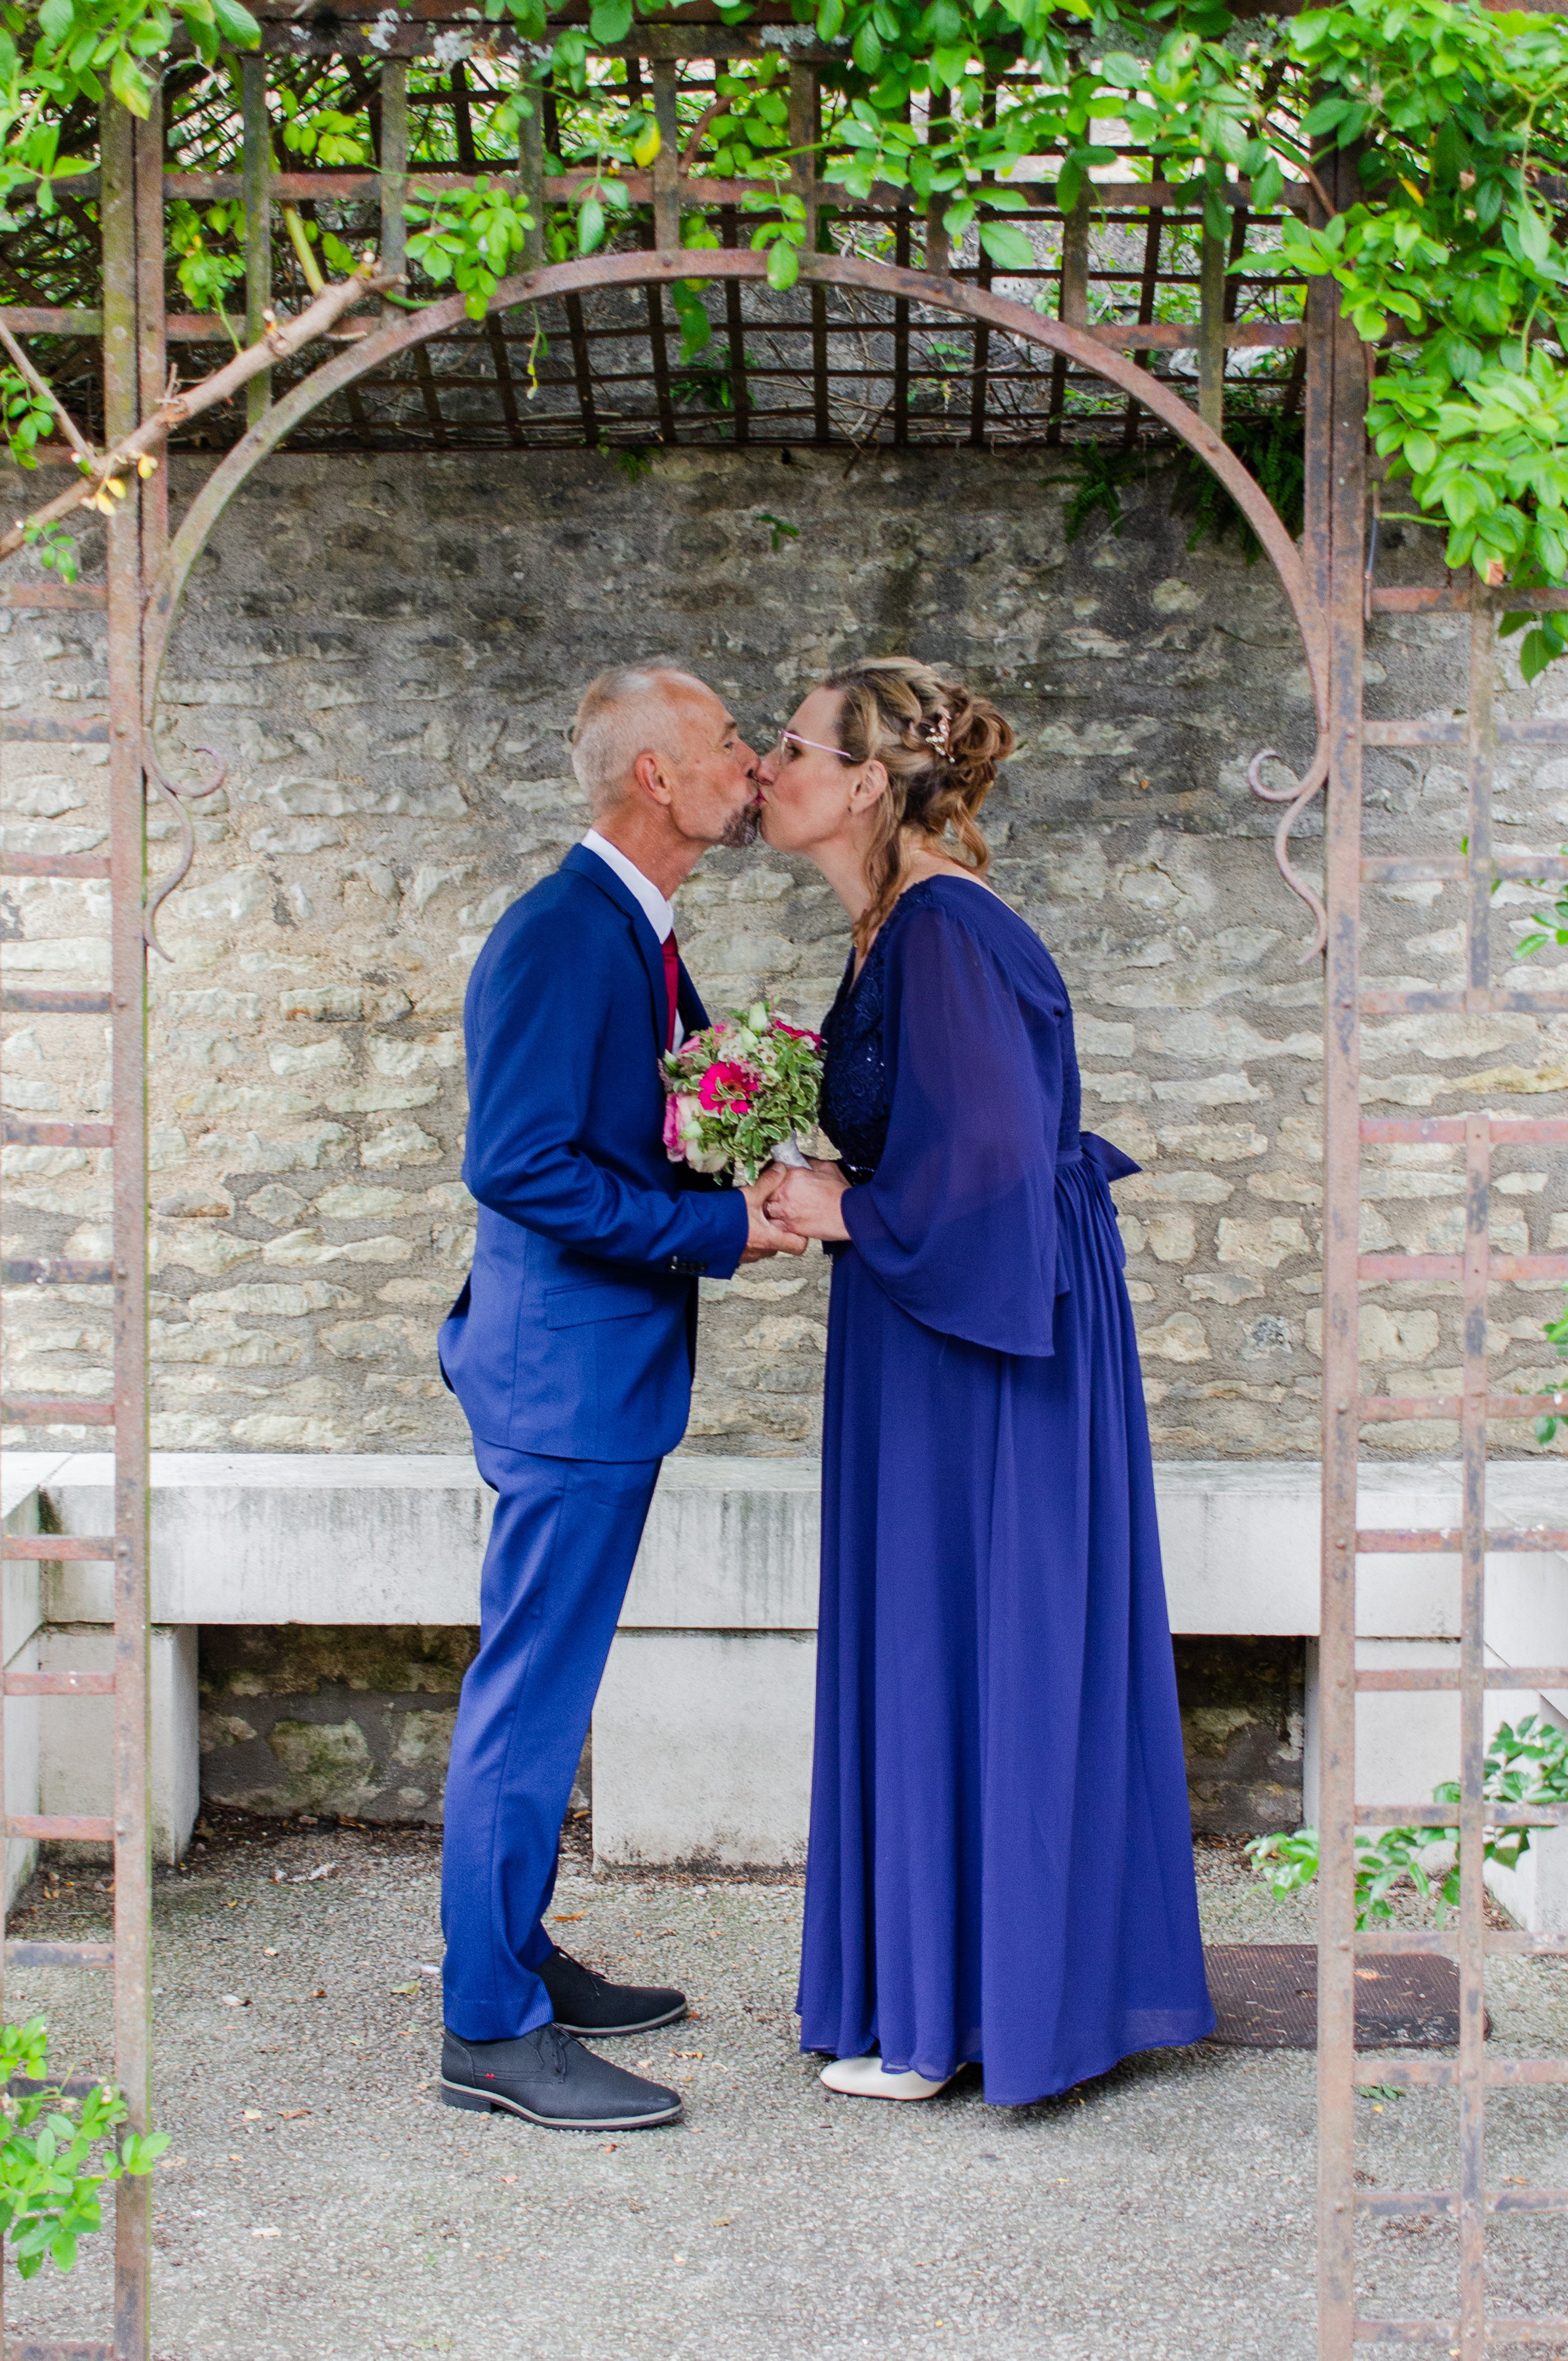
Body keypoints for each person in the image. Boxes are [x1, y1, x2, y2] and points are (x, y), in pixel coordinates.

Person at [756, 657, 1215, 2107]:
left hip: (979, 1336)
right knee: (929, 1631)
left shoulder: (943, 928)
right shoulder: (890, 923)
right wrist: (826, 1174)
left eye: (787, 748)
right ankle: (937, 1993)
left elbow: (1001, 1161)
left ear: (861, 783)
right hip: (933, 1320)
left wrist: (847, 1208)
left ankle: (961, 2014)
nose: (764, 771)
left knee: (967, 1633)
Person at [435, 660, 805, 2132]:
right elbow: (516, 1163)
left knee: (546, 1690)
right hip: (564, 1380)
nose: (750, 763)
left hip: (599, 1371)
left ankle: (512, 1952)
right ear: (655, 775)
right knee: (525, 1707)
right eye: (727, 742)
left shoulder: (640, 935)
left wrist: (757, 1152)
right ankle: (487, 2030)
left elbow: (653, 1123)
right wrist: (717, 1229)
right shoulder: (559, 938)